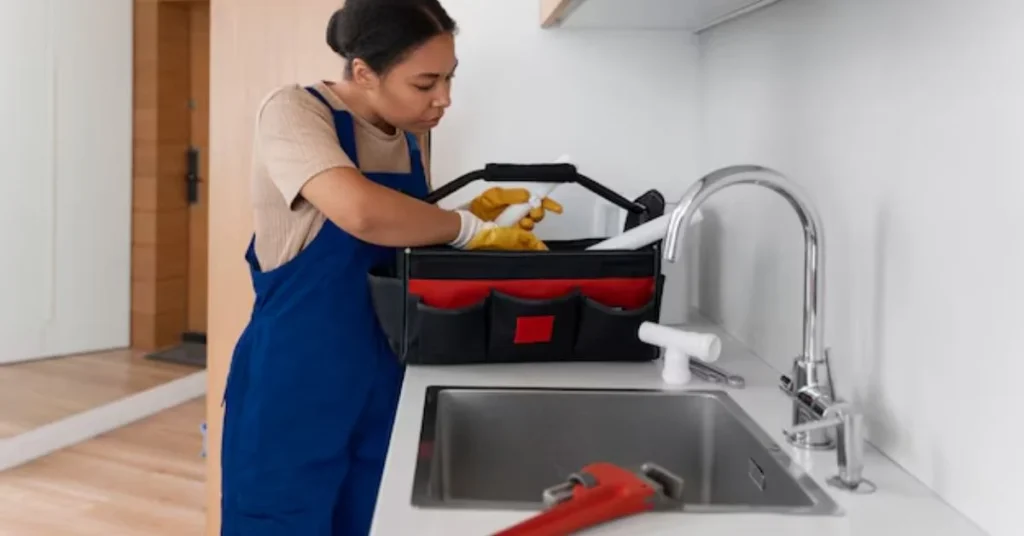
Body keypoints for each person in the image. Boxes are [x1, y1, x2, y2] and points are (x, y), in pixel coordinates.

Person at [218, 1, 561, 534]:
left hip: (387, 375)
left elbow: (406, 244)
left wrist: (480, 215)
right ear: (363, 71)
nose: (443, 99)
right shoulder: (294, 111)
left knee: (372, 521)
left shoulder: (407, 139)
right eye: (425, 84)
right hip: (296, 380)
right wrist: (464, 227)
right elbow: (361, 212)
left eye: (448, 78)